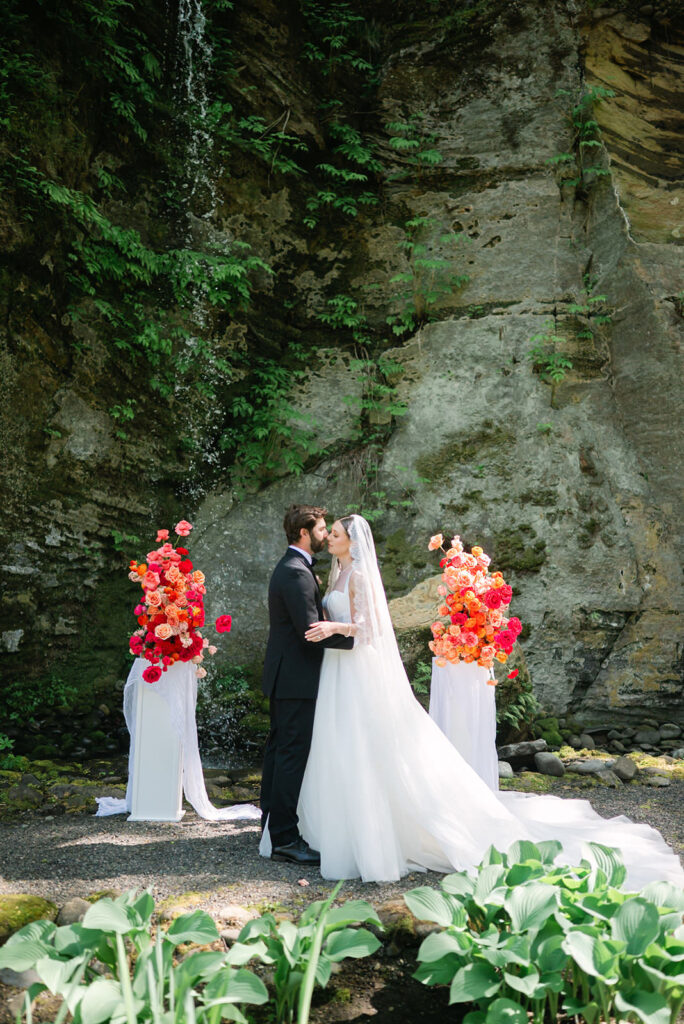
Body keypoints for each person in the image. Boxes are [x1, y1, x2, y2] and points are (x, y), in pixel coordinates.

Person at [260, 514, 684, 890]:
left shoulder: (359, 576)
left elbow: (367, 627)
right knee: (336, 747)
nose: (328, 537)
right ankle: (329, 826)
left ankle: (369, 832)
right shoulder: (334, 572)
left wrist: (333, 625)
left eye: (333, 533)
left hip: (354, 670)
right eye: (327, 532)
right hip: (335, 672)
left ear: (351, 541)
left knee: (364, 745)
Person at [259, 504, 354, 865]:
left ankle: (271, 825)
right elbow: (310, 633)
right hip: (297, 678)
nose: (325, 535)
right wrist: (358, 642)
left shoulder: (294, 568)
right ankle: (284, 837)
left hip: (289, 677)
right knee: (290, 756)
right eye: (320, 529)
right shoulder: (296, 573)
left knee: (280, 751)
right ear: (303, 533)